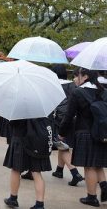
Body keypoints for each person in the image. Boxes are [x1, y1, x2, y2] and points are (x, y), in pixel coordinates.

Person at [59, 67, 107, 207]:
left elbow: (68, 116)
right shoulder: (103, 91)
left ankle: (91, 197)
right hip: (102, 132)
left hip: (85, 133)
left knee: (89, 166)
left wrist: (62, 133)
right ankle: (104, 187)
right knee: (97, 164)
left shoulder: (78, 92)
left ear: (85, 76)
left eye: (77, 75)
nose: (75, 78)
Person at [3, 119, 51, 209]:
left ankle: (13, 199)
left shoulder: (18, 106)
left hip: (19, 139)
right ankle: (39, 204)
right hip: (36, 141)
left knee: (16, 170)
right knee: (36, 172)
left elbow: (12, 123)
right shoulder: (40, 106)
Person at [51, 65, 84, 186]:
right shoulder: (72, 84)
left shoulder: (53, 85)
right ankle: (59, 170)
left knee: (61, 145)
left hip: (61, 119)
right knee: (62, 144)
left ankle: (75, 173)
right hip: (75, 117)